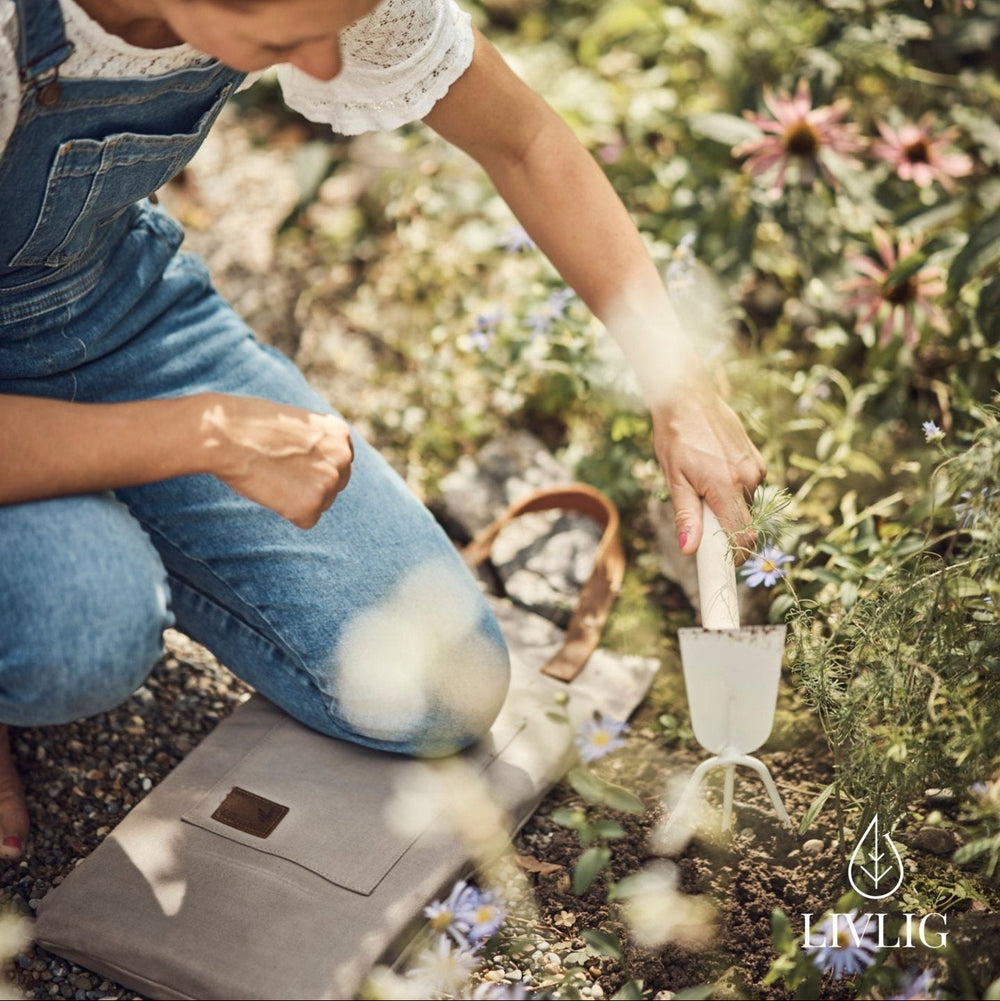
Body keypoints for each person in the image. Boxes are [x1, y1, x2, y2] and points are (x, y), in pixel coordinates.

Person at [0, 0, 766, 860]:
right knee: (79, 626)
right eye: (288, 42)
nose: (324, 68)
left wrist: (676, 383)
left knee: (443, 688)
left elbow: (524, 140)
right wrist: (202, 438)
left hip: (108, 303)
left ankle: (93, 502)